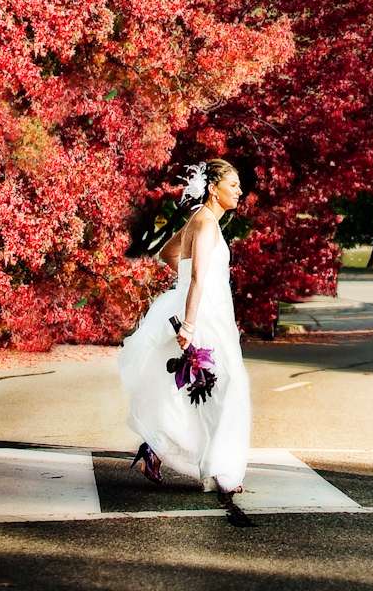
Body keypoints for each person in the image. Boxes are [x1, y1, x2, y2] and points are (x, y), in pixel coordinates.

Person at [120, 158, 251, 494]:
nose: (240, 191)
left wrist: (184, 291)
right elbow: (196, 277)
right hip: (205, 316)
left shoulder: (200, 220)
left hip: (207, 311)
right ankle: (219, 470)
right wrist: (190, 324)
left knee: (199, 389)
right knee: (227, 386)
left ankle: (157, 446)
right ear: (213, 187)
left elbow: (168, 253)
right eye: (233, 185)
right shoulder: (206, 224)